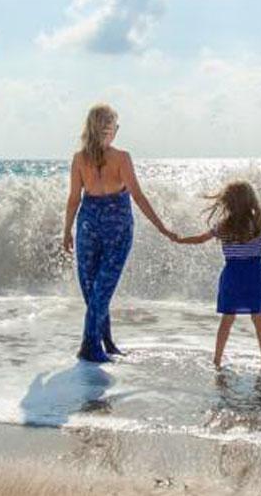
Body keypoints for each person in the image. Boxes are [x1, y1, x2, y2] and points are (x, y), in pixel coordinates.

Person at [62, 104, 175, 363]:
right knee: (99, 291)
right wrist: (162, 227)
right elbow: (137, 195)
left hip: (89, 224)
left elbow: (73, 200)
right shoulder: (121, 158)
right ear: (111, 129)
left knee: (96, 290)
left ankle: (105, 342)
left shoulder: (80, 158)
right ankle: (91, 346)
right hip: (116, 226)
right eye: (115, 125)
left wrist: (67, 230)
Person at [171, 181, 261, 369]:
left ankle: (217, 359)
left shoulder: (223, 226)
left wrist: (178, 239)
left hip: (232, 275)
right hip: (254, 275)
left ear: (228, 202)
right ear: (252, 201)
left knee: (227, 319)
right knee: (258, 318)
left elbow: (200, 239)